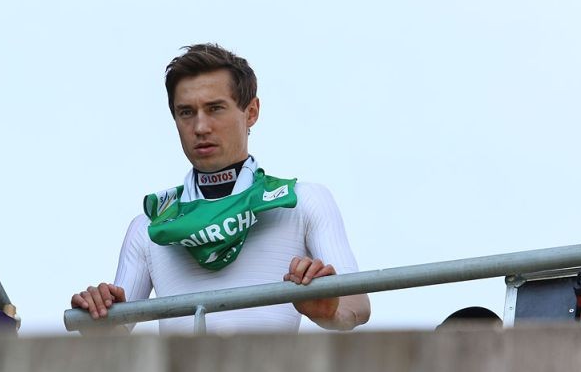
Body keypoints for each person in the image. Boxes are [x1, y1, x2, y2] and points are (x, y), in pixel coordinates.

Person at [71, 44, 370, 334]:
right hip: (181, 371)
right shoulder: (150, 226)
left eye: (215, 109)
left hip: (273, 370)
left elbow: (357, 305)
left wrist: (330, 311)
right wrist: (98, 314)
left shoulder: (302, 201)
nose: (200, 127)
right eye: (186, 112)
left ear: (251, 112)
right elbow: (115, 337)